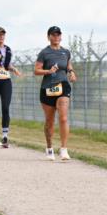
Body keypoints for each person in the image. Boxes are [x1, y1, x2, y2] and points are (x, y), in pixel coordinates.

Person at [34, 25, 78, 161]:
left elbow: (68, 65)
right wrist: (48, 71)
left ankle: (64, 149)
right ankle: (49, 148)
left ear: (61, 36)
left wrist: (71, 72)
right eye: (53, 35)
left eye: (58, 34)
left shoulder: (66, 52)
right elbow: (36, 70)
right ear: (49, 37)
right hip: (47, 88)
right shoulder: (44, 53)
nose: (56, 37)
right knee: (50, 120)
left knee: (63, 117)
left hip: (63, 86)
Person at [0, 27, 23, 148]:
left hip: (6, 80)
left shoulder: (8, 49)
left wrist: (14, 69)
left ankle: (5, 136)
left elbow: (7, 65)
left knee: (6, 107)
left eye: (3, 35)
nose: (1, 37)